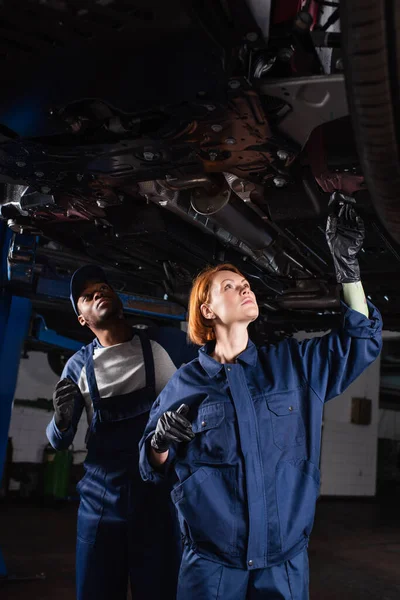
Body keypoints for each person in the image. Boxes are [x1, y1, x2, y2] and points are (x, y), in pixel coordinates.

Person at [139, 196, 383, 600]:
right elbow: (150, 466)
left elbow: (359, 342)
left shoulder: (292, 365)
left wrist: (349, 270)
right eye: (229, 286)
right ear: (208, 309)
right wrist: (160, 443)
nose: (244, 288)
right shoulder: (185, 384)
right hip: (211, 565)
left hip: (282, 563)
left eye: (246, 284)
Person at [46, 264, 197, 600]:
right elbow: (59, 441)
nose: (98, 292)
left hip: (155, 501)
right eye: (87, 296)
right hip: (100, 504)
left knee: (160, 591)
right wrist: (60, 418)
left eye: (103, 287)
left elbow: (187, 407)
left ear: (118, 299)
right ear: (82, 319)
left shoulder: (159, 347)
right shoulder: (77, 366)